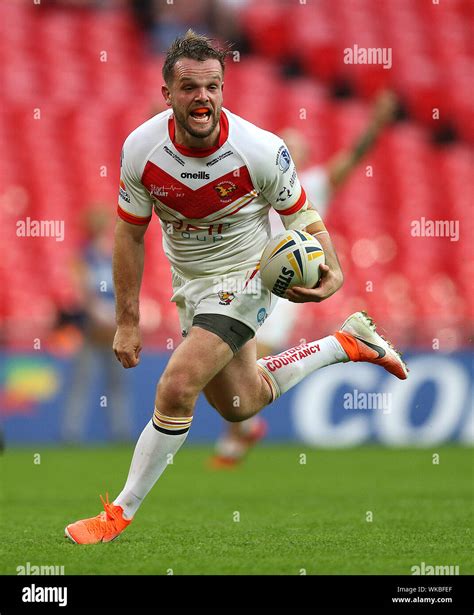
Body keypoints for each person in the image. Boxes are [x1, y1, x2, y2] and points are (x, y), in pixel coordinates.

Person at [65, 31, 407, 544]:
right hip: (191, 287)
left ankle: (118, 512)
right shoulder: (140, 149)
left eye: (212, 87)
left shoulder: (261, 150)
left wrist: (332, 268)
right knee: (240, 404)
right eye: (189, 88)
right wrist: (128, 320)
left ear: (223, 90)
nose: (202, 97)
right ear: (168, 95)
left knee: (177, 386)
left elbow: (305, 216)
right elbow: (129, 233)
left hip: (247, 277)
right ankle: (345, 343)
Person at [210, 91, 399, 467]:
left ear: (305, 158)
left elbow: (353, 158)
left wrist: (375, 126)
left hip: (284, 285)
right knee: (224, 359)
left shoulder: (314, 183)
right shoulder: (259, 184)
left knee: (249, 356)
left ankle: (235, 438)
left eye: (294, 147)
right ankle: (244, 427)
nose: (288, 151)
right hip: (247, 280)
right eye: (285, 145)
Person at [61, 208, 133, 443]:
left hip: (115, 330)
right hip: (91, 330)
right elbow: (82, 292)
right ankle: (71, 432)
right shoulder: (84, 257)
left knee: (116, 383)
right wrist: (99, 311)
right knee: (83, 381)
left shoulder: (113, 255)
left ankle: (120, 430)